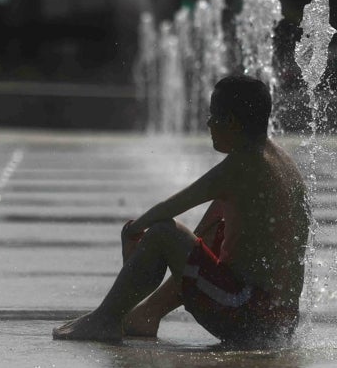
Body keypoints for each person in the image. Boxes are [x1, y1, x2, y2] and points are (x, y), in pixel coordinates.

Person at [53, 74, 309, 345]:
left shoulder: (242, 164)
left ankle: (105, 319)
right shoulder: (280, 161)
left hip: (247, 319)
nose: (208, 123)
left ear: (231, 122)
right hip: (277, 322)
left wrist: (133, 231)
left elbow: (170, 207)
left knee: (164, 233)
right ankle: (146, 315)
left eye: (213, 116)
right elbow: (196, 246)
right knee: (213, 223)